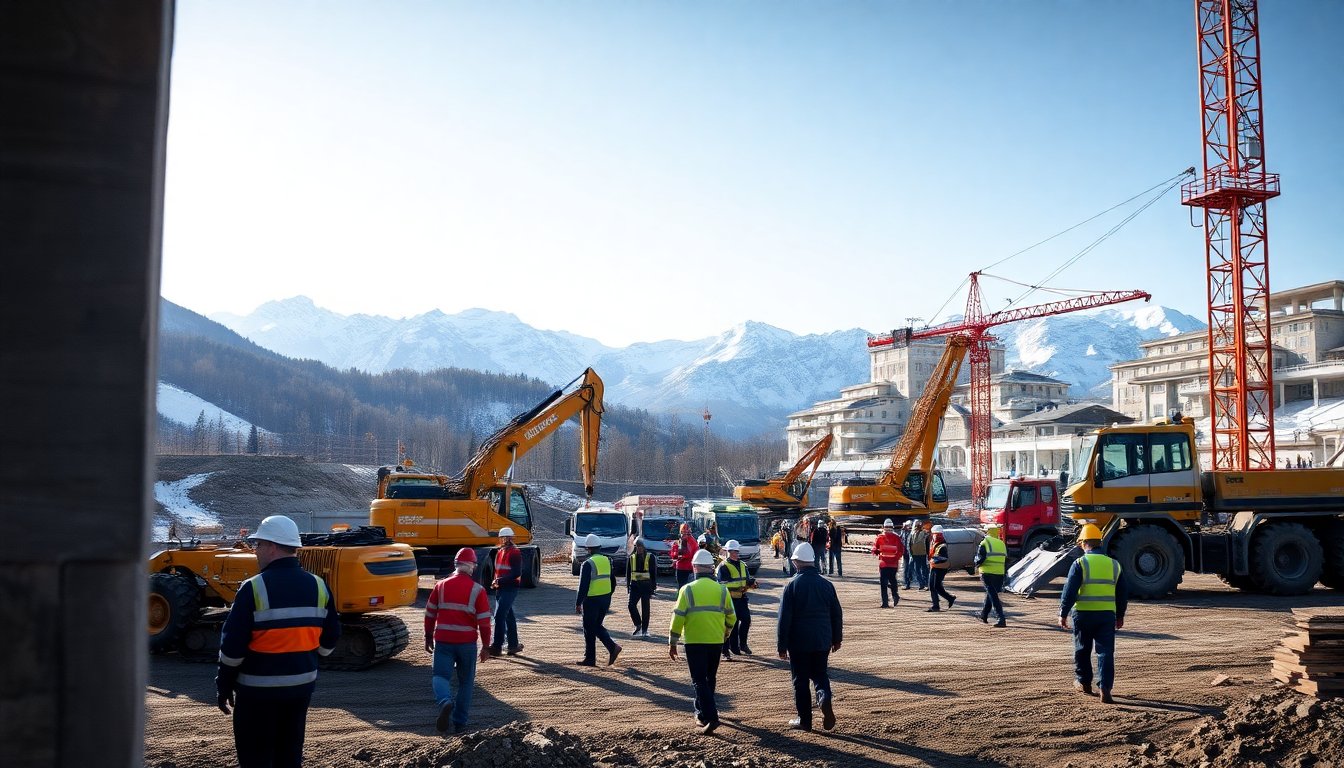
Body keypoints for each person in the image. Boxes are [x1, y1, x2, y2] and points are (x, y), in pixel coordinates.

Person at [216, 515, 341, 768]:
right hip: (299, 692)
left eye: (258, 544)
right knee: (289, 756)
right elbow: (330, 639)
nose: (256, 551)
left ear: (272, 546)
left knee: (256, 759)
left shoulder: (253, 588)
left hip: (256, 696)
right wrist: (306, 658)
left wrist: (224, 684)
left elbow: (232, 649)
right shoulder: (318, 586)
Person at [1059, 524, 1129, 704]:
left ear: (1084, 543)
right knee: (1105, 652)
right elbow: (1122, 593)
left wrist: (1063, 613)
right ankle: (1105, 688)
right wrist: (1120, 615)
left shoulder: (1080, 563)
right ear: (1100, 543)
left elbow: (1070, 591)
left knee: (1082, 649)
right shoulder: (1114, 565)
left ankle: (1084, 683)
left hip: (1083, 614)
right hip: (1106, 615)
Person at [425, 547, 492, 734]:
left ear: (456, 565)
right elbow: (484, 623)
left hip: (443, 641)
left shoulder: (441, 586)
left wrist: (428, 636)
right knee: (465, 683)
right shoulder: (478, 590)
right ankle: (460, 723)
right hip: (466, 644)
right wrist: (486, 646)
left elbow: (430, 614)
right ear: (471, 566)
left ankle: (445, 701)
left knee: (440, 676)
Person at [777, 542, 843, 732]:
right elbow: (836, 614)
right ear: (812, 562)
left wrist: (782, 646)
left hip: (799, 643)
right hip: (822, 640)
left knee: (800, 681)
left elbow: (784, 619)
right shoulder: (827, 585)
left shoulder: (792, 586)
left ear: (797, 562)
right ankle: (824, 698)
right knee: (820, 675)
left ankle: (804, 720)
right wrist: (836, 639)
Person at [669, 548, 736, 735]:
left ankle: (711, 716)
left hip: (694, 642)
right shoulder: (722, 590)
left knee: (699, 680)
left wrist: (673, 642)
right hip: (716, 641)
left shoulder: (687, 590)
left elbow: (678, 618)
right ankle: (701, 713)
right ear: (711, 569)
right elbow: (731, 618)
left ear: (694, 568)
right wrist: (725, 635)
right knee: (709, 678)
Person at [575, 533, 622, 667]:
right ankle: (608, 649)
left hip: (592, 601)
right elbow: (613, 581)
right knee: (595, 626)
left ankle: (603, 652)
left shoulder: (587, 564)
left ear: (588, 549)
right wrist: (607, 595)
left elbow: (583, 586)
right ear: (599, 547)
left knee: (589, 627)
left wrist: (578, 603)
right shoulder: (607, 560)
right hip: (605, 599)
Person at [717, 539, 758, 659]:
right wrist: (741, 586)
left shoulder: (742, 565)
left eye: (736, 551)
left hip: (741, 599)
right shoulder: (723, 566)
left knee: (746, 621)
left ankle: (742, 644)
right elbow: (723, 585)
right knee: (729, 625)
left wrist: (751, 583)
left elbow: (746, 579)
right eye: (732, 551)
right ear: (728, 552)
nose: (735, 553)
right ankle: (725, 651)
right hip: (729, 600)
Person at [487, 527, 524, 657]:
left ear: (511, 538)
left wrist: (499, 580)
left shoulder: (515, 552)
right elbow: (498, 570)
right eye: (503, 538)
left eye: (507, 538)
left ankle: (497, 646)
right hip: (501, 588)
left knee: (499, 615)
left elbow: (516, 573)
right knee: (508, 616)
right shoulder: (500, 552)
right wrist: (495, 581)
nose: (505, 540)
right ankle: (513, 645)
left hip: (510, 588)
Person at [974, 525, 1008, 627]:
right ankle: (984, 615)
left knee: (993, 596)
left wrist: (975, 564)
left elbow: (980, 558)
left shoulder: (985, 543)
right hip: (999, 573)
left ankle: (1001, 618)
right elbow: (1006, 559)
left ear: (988, 532)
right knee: (991, 594)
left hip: (987, 572)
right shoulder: (1001, 543)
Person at [626, 537, 658, 638]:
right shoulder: (631, 558)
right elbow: (628, 574)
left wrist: (653, 587)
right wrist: (628, 587)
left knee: (645, 609)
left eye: (640, 547)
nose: (639, 549)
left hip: (646, 586)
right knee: (631, 605)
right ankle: (638, 624)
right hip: (635, 586)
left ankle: (644, 630)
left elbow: (653, 573)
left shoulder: (650, 557)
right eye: (637, 547)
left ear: (644, 547)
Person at [871, 518, 905, 608]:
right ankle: (895, 595)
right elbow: (901, 550)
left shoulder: (880, 537)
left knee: (884, 584)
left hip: (884, 564)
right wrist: (896, 558)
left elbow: (874, 548)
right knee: (893, 581)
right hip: (893, 564)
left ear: (884, 527)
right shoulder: (896, 537)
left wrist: (877, 551)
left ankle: (885, 603)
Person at [926, 525, 957, 612]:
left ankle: (939, 604)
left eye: (937, 534)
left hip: (939, 568)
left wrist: (932, 561)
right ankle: (944, 601)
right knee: (934, 586)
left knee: (935, 586)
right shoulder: (934, 542)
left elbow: (942, 558)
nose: (935, 536)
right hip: (935, 567)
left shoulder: (942, 544)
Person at [669, 522, 699, 588]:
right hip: (685, 567)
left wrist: (679, 558)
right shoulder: (690, 541)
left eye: (685, 531)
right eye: (683, 531)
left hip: (685, 567)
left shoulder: (690, 541)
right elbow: (674, 553)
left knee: (683, 586)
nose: (684, 533)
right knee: (687, 586)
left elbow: (692, 554)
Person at [908, 520, 931, 590]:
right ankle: (925, 584)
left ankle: (922, 584)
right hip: (922, 554)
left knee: (918, 569)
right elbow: (928, 544)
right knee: (923, 569)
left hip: (916, 554)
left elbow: (909, 544)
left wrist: (911, 553)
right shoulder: (924, 533)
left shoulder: (912, 534)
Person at [900, 520, 916, 588]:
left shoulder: (913, 533)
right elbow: (900, 539)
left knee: (910, 568)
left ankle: (909, 582)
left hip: (912, 553)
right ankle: (907, 582)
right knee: (906, 568)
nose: (908, 527)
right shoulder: (903, 532)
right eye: (907, 526)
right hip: (905, 552)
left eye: (910, 526)